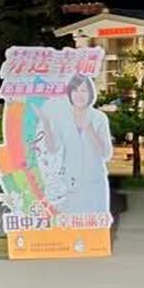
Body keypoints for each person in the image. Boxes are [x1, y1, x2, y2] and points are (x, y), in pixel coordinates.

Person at [34, 74, 113, 214]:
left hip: (94, 181)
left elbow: (105, 154)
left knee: (94, 222)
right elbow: (53, 149)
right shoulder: (63, 118)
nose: (79, 95)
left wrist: (89, 129)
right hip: (69, 182)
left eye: (83, 90)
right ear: (70, 94)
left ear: (90, 93)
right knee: (70, 222)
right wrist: (46, 123)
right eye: (75, 91)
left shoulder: (99, 118)